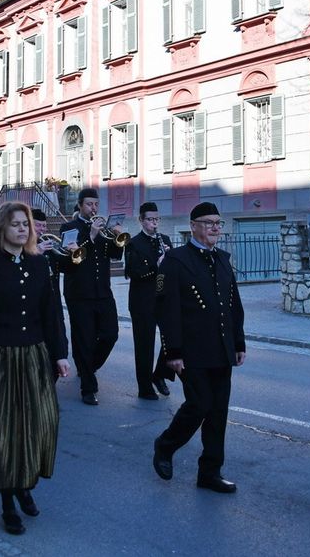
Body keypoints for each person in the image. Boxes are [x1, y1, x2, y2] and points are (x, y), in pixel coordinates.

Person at [0, 202, 69, 535]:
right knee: (4, 430)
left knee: (41, 422)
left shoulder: (40, 265)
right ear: (2, 229)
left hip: (34, 356)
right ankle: (8, 502)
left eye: (26, 224)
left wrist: (60, 354)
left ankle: (25, 483)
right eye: (15, 224)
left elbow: (52, 314)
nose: (23, 229)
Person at [152, 202, 245, 494]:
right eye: (209, 223)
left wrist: (239, 342)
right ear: (193, 226)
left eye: (218, 223)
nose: (216, 228)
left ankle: (210, 471)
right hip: (191, 350)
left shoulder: (222, 260)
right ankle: (165, 445)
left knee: (218, 412)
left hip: (221, 349)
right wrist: (172, 352)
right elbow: (166, 310)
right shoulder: (175, 261)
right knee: (200, 404)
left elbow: (234, 306)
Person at [59, 188, 122, 405]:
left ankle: (88, 366)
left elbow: (115, 255)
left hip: (103, 292)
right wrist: (91, 236)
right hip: (79, 293)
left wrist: (115, 235)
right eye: (89, 205)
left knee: (110, 334)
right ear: (79, 205)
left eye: (96, 204)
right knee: (84, 339)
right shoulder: (69, 228)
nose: (94, 208)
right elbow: (67, 263)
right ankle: (88, 387)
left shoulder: (102, 229)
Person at [125, 201, 173, 400]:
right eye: (150, 219)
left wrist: (171, 260)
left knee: (172, 338)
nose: (155, 223)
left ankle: (160, 374)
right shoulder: (133, 243)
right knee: (144, 345)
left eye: (157, 219)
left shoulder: (165, 239)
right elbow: (132, 272)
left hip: (163, 299)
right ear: (141, 221)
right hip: (142, 301)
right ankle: (144, 387)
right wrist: (156, 265)